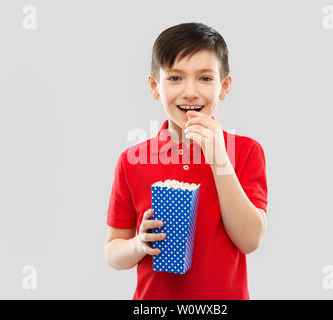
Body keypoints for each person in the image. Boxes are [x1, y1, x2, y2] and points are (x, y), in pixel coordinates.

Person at [105, 22, 268, 300]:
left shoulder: (245, 151)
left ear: (224, 86)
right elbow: (113, 252)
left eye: (205, 78)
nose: (190, 91)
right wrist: (139, 245)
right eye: (175, 78)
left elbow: (250, 239)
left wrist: (219, 159)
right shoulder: (132, 161)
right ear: (155, 86)